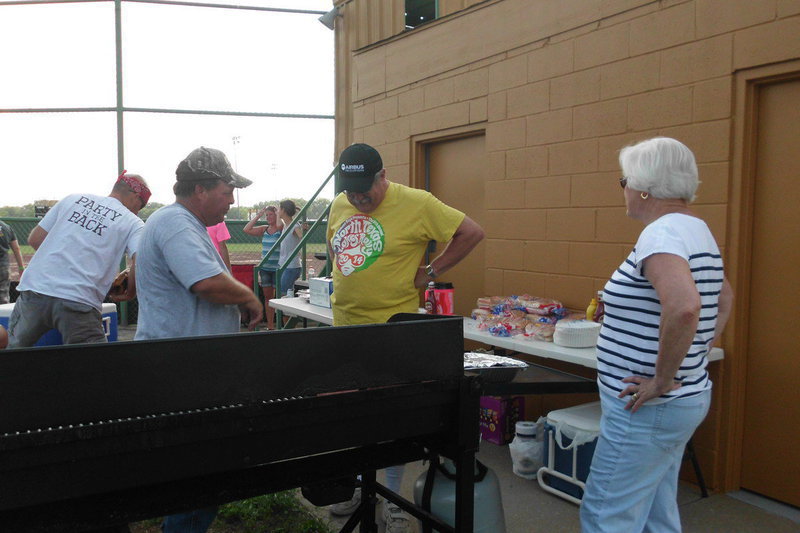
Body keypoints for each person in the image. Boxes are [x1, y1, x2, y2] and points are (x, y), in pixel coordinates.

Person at [326, 143, 485, 532]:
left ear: (384, 176)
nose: (358, 198)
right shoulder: (340, 204)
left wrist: (429, 271)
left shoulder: (417, 203)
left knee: (393, 419)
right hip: (346, 326)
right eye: (351, 191)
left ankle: (393, 500)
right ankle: (361, 488)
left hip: (392, 330)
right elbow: (336, 246)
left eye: (365, 189)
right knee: (355, 416)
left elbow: (471, 232)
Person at [579, 137, 733, 533]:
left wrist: (663, 378)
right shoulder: (694, 228)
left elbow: (684, 306)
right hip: (680, 400)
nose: (624, 191)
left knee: (605, 514)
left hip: (648, 406)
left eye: (623, 181)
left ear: (643, 186)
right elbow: (723, 294)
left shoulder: (661, 234)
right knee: (654, 510)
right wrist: (698, 350)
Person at [134, 146, 263, 533]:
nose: (231, 199)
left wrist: (234, 303)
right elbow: (206, 283)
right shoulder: (176, 222)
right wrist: (248, 297)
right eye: (228, 190)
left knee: (201, 471)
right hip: (184, 371)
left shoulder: (186, 224)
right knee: (203, 472)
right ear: (202, 190)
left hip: (188, 366)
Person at [7, 172, 148, 348]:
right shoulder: (133, 222)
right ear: (135, 196)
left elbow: (35, 240)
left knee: (13, 356)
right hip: (80, 299)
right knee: (91, 368)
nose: (138, 211)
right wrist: (131, 291)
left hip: (36, 290)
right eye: (141, 206)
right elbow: (141, 259)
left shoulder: (73, 199)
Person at [243, 205, 282, 329]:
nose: (268, 217)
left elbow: (281, 225)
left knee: (280, 298)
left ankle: (281, 324)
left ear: (276, 215)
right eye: (267, 215)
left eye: (271, 214)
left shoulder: (281, 228)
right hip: (265, 269)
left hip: (278, 268)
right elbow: (247, 229)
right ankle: (270, 325)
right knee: (268, 298)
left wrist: (278, 212)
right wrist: (258, 216)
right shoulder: (264, 229)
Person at [276, 199, 308, 296]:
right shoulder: (287, 225)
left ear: (284, 210)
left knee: (284, 294)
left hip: (291, 266)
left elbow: (301, 236)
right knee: (285, 293)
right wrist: (278, 214)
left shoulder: (294, 225)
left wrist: (302, 229)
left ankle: (285, 312)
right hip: (285, 265)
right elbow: (278, 225)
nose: (278, 211)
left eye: (279, 209)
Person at [0, 220, 25, 304]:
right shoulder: (6, 227)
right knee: (3, 295)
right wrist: (21, 267)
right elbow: (16, 248)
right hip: (3, 266)